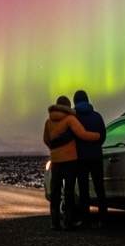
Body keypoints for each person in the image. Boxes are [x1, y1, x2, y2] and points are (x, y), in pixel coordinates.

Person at [43, 95, 101, 230]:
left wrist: (54, 150)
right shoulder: (70, 119)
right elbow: (83, 134)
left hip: (56, 160)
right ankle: (68, 222)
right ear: (68, 106)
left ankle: (55, 222)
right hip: (70, 160)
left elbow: (46, 139)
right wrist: (97, 136)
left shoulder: (48, 121)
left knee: (56, 192)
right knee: (68, 191)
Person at [72, 90, 107, 228]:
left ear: (75, 101)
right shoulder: (97, 116)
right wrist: (95, 145)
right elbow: (103, 136)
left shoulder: (74, 118)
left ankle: (85, 220)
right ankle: (103, 219)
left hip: (81, 157)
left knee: (83, 189)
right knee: (99, 188)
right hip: (96, 156)